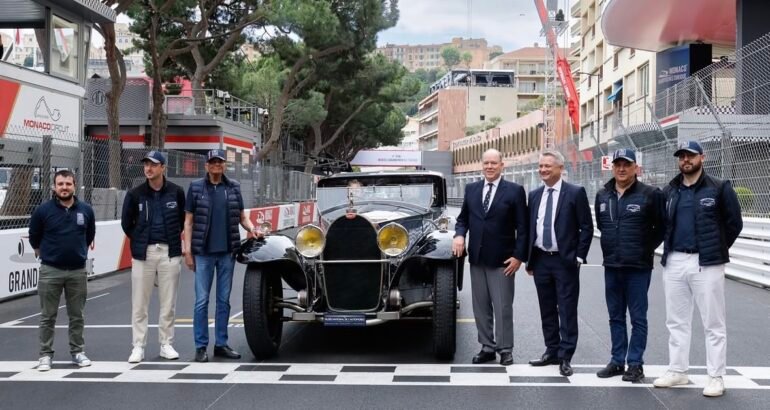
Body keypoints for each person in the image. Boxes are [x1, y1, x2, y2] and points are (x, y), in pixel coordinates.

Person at [653, 141, 742, 397]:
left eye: (690, 155)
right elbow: (662, 224)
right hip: (675, 260)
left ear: (702, 157)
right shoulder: (670, 190)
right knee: (676, 321)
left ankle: (716, 376)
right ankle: (678, 371)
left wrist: (716, 248)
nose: (685, 160)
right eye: (681, 156)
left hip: (707, 262)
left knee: (713, 322)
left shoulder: (719, 187)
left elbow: (734, 223)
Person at [594, 149, 665, 382]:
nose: (621, 169)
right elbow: (604, 226)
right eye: (618, 165)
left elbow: (661, 227)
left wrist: (645, 248)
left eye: (627, 164)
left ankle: (635, 364)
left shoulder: (651, 194)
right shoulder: (603, 195)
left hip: (638, 267)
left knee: (637, 318)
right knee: (615, 316)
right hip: (612, 265)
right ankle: (617, 361)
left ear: (636, 167)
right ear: (612, 167)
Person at [452, 149, 528, 366]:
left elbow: (523, 228)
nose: (490, 166)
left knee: (503, 306)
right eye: (486, 163)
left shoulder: (514, 191)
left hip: (503, 260)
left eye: (494, 163)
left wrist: (519, 257)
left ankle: (505, 349)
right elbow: (463, 219)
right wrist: (459, 235)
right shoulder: (472, 189)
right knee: (480, 306)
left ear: (502, 165)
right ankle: (487, 347)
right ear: (481, 165)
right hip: (476, 258)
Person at [184, 149, 258, 362]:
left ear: (225, 165)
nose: (216, 165)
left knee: (223, 301)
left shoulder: (233, 187)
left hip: (227, 253)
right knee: (201, 301)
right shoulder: (196, 188)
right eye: (212, 162)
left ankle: (221, 344)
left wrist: (252, 229)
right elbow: (188, 221)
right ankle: (200, 346)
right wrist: (188, 251)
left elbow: (242, 217)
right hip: (203, 254)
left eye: (220, 162)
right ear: (206, 165)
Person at [526, 150, 593, 377]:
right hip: (541, 259)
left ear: (560, 169)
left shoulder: (575, 193)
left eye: (548, 166)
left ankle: (566, 356)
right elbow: (530, 228)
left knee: (566, 309)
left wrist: (578, 257)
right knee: (547, 309)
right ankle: (551, 350)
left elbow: (587, 227)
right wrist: (530, 259)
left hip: (565, 261)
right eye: (541, 166)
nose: (543, 170)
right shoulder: (534, 195)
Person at [121, 151, 186, 363]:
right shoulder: (135, 193)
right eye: (146, 164)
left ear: (163, 168)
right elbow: (126, 223)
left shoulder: (176, 192)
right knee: (139, 303)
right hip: (143, 253)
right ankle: (138, 346)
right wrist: (140, 240)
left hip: (170, 252)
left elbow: (182, 219)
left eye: (153, 165)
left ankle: (166, 344)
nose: (148, 168)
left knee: (168, 303)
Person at [28, 170, 96, 371]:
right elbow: (34, 237)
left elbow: (89, 234)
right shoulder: (43, 211)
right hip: (50, 270)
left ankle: (77, 352)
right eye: (60, 184)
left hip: (77, 271)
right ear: (54, 187)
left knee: (77, 316)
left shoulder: (86, 210)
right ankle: (45, 355)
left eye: (68, 183)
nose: (64, 187)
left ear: (75, 185)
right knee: (47, 316)